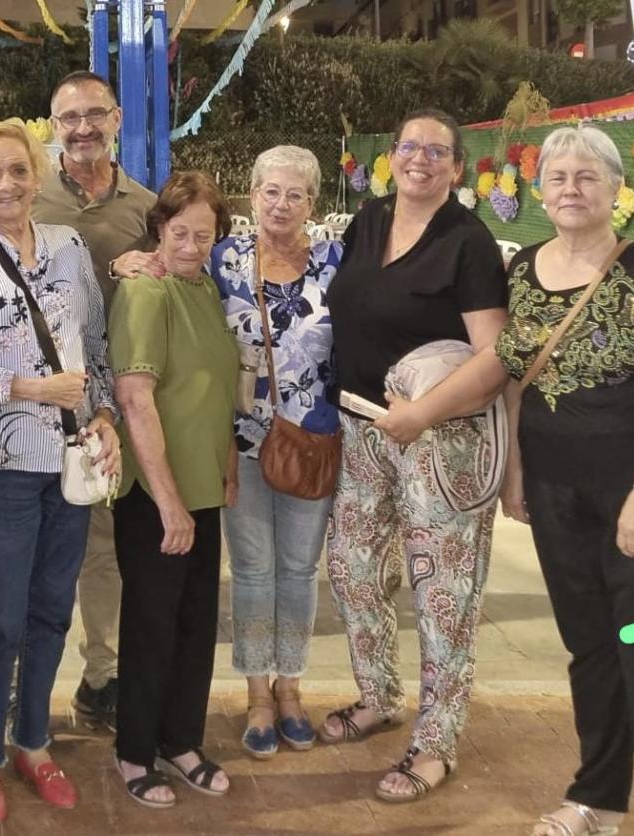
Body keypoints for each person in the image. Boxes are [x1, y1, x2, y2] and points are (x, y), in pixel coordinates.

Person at [497, 126, 634, 836]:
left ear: (617, 190)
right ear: (540, 191)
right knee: (590, 650)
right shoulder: (522, 269)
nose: (571, 189)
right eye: (558, 177)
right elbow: (516, 381)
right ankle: (598, 798)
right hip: (560, 494)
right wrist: (516, 472)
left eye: (588, 176)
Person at [0, 120, 119, 824]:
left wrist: (105, 416)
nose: (6, 185)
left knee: (51, 612)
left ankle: (32, 741)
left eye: (17, 170)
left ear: (37, 176)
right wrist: (31, 389)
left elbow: (93, 342)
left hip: (71, 462)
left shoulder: (70, 246)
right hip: (2, 466)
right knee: (0, 620)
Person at [323, 108, 509, 802]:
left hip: (441, 438)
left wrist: (424, 414)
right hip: (363, 426)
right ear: (392, 156)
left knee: (442, 592)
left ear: (457, 167)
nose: (420, 159)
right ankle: (380, 695)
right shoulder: (368, 220)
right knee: (354, 570)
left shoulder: (469, 243)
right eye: (409, 146)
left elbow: (496, 357)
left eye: (437, 151)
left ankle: (437, 742)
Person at [31, 70, 159, 730]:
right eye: (69, 118)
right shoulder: (28, 196)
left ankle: (102, 675)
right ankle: (25, 688)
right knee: (38, 548)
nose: (82, 128)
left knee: (104, 543)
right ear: (53, 126)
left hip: (113, 401)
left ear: (116, 120)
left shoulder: (146, 208)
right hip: (37, 399)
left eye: (94, 115)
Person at [108, 171, 239, 809]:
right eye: (180, 232)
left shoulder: (205, 288)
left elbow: (214, 386)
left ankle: (181, 740)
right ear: (159, 228)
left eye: (203, 236)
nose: (190, 246)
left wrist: (226, 466)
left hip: (203, 488)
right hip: (157, 494)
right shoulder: (146, 291)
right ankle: (135, 750)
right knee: (152, 625)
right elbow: (136, 400)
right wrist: (167, 502)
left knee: (195, 624)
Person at [209, 146, 341, 759]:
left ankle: (291, 688)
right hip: (243, 439)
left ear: (312, 203)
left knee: (299, 569)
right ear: (253, 193)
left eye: (295, 194)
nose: (281, 204)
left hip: (312, 441)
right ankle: (258, 694)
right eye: (271, 191)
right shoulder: (225, 259)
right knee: (253, 570)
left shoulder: (336, 262)